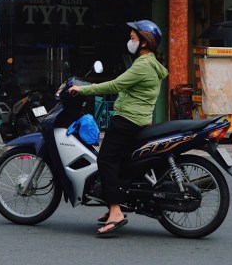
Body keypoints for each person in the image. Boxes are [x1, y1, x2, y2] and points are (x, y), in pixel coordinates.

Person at [69, 19, 168, 237]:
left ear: (144, 42)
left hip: (127, 120)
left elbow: (115, 85)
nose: (129, 41)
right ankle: (116, 203)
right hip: (138, 119)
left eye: (133, 38)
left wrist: (83, 89)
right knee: (121, 162)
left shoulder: (143, 65)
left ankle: (115, 212)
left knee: (105, 160)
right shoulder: (149, 64)